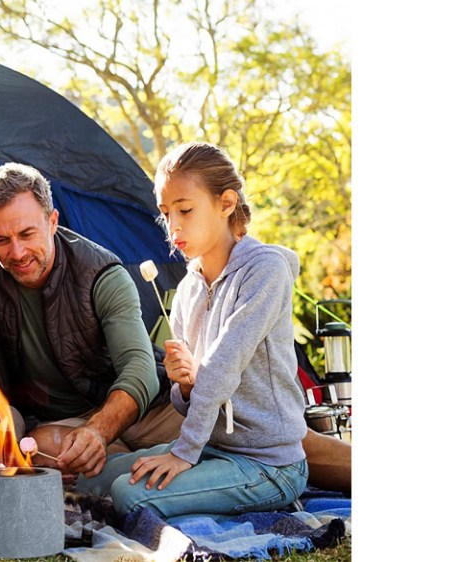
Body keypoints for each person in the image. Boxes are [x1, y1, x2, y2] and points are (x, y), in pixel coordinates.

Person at [79, 141, 312, 517]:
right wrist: (184, 385)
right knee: (92, 479)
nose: (173, 226)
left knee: (129, 494)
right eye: (165, 213)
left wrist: (183, 453)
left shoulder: (265, 271)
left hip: (269, 465)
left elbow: (222, 367)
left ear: (226, 203)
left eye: (185, 210)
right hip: (214, 448)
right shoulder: (188, 287)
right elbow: (188, 398)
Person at [0, 163, 184, 479]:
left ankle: (124, 462)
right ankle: (132, 464)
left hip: (145, 408)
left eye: (26, 234)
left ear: (52, 222)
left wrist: (99, 431)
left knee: (221, 428)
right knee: (36, 449)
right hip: (66, 423)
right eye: (1, 240)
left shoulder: (102, 274)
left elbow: (139, 368)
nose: (17, 252)